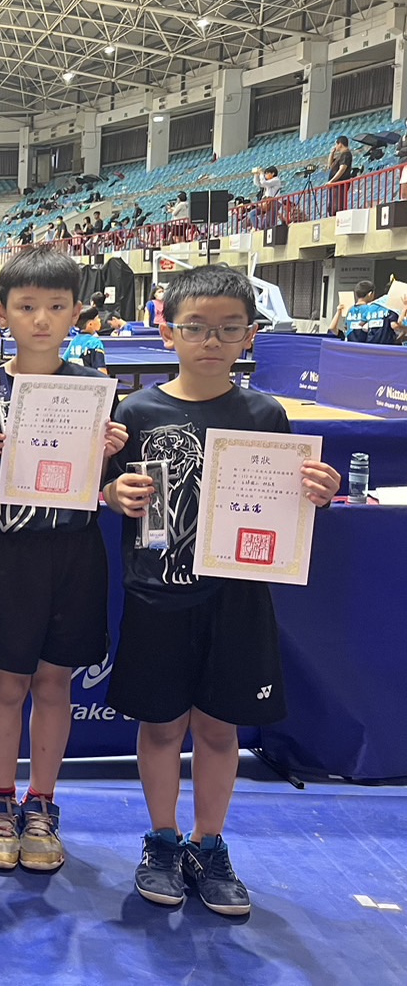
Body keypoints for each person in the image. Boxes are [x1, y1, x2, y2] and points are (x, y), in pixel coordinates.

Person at [103, 264, 340, 916]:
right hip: (157, 595)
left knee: (217, 729)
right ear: (166, 331)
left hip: (236, 600)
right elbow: (112, 490)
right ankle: (161, 840)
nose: (211, 341)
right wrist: (112, 492)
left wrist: (315, 493)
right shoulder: (136, 411)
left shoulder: (264, 413)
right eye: (196, 327)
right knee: (159, 728)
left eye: (228, 328)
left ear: (249, 335)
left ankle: (208, 845)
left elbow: (288, 503)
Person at [0, 247, 127, 871]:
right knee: (7, 683)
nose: (41, 319)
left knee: (54, 683)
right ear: (1, 313)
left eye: (55, 306)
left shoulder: (94, 390)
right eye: (26, 307)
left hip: (74, 553)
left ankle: (42, 803)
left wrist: (108, 454)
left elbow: (104, 488)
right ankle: (0, 801)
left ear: (77, 312)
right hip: (5, 554)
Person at [329, 281, 405, 344]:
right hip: (365, 346)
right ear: (370, 294)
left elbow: (340, 327)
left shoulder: (350, 310)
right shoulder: (370, 308)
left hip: (351, 345)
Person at [325, 136, 354, 216]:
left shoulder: (346, 154)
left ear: (340, 144)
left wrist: (332, 181)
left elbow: (342, 169)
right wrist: (332, 153)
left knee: (337, 205)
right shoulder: (340, 155)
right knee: (333, 204)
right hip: (335, 185)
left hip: (339, 184)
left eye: (336, 144)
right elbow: (330, 166)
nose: (335, 146)